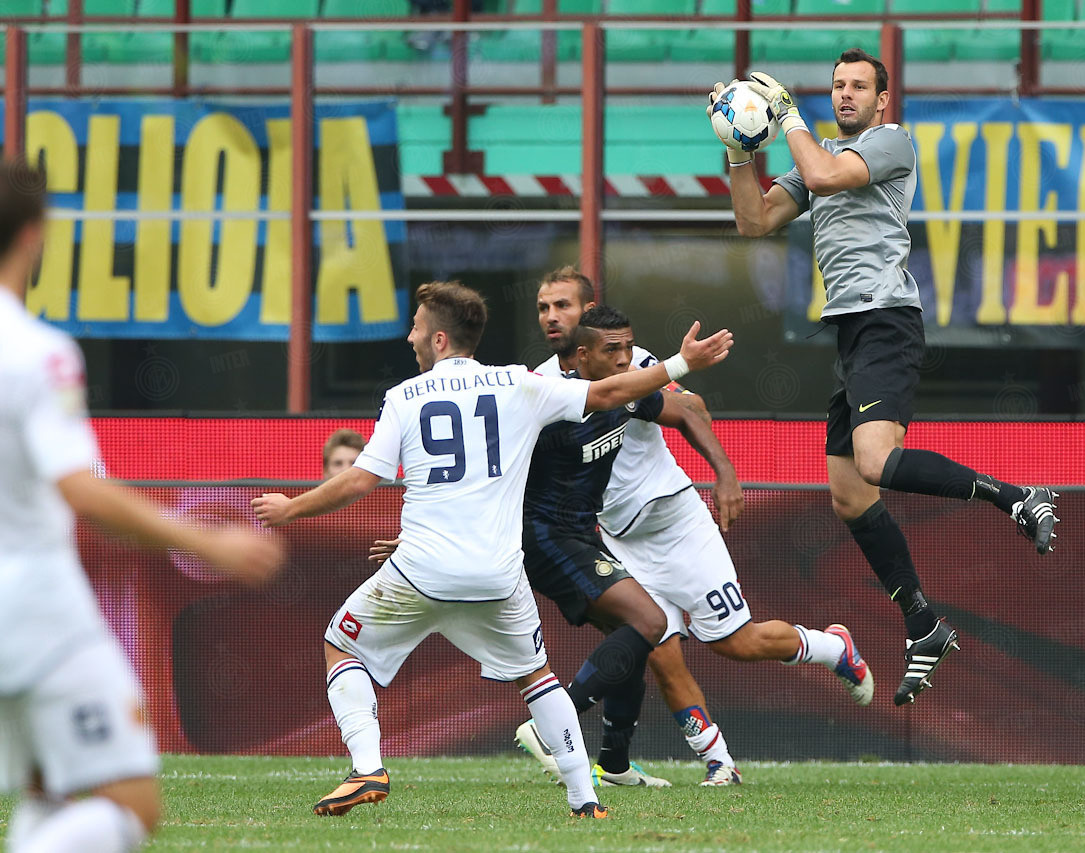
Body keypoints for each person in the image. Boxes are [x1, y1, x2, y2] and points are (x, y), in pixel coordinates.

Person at [251, 281, 732, 817]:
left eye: (415, 327)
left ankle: (367, 767)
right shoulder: (517, 383)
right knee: (539, 678)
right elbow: (606, 394)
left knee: (341, 644)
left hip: (420, 570)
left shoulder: (404, 396)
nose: (409, 336)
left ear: (438, 339)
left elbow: (363, 479)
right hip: (499, 576)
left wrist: (291, 508)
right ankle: (585, 799)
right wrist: (679, 364)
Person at [712, 49, 1059, 706]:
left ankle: (1017, 496)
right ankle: (923, 623)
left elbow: (824, 174)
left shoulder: (891, 143)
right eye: (837, 85)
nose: (845, 94)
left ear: (881, 100)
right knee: (849, 495)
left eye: (858, 87)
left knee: (874, 460)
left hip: (886, 320)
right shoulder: (815, 158)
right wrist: (736, 150)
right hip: (853, 331)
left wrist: (785, 115)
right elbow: (753, 221)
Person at [0, 157, 283, 853]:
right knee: (131, 803)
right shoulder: (35, 351)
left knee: (45, 788)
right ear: (35, 234)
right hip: (35, 607)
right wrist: (208, 541)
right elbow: (81, 488)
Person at [523, 269, 870, 787]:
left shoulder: (631, 364)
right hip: (616, 534)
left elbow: (690, 409)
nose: (553, 317)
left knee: (737, 643)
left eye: (564, 306)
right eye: (544, 307)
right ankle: (717, 762)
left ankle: (833, 648)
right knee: (654, 646)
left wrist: (725, 474)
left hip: (674, 520)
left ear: (589, 312)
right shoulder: (543, 383)